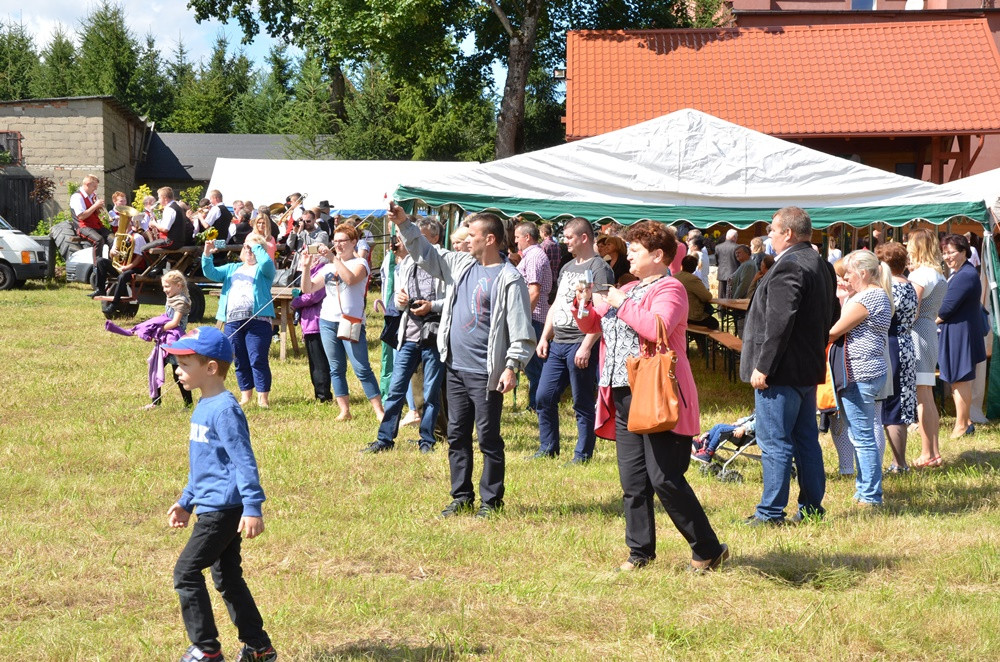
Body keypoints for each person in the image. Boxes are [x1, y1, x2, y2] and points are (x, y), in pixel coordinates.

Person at [574, 220, 727, 572]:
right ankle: (639, 553)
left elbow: (656, 328)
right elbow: (591, 326)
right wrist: (584, 304)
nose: (628, 255)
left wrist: (620, 301)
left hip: (658, 393)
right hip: (624, 393)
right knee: (633, 481)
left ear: (658, 255)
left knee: (664, 479)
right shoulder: (630, 288)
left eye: (636, 250)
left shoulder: (669, 289)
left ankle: (708, 547)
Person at [387, 204, 535, 519]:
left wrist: (512, 366)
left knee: (488, 438)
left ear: (491, 239)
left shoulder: (510, 279)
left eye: (473, 236)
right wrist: (404, 224)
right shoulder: (462, 264)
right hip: (454, 367)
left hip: (486, 372)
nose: (466, 241)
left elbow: (522, 330)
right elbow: (426, 254)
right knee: (456, 434)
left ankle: (491, 502)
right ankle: (461, 496)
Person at [162, 326, 276, 662]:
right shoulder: (204, 405)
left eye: (184, 364)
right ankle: (259, 648)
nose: (177, 371)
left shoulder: (225, 410)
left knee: (186, 572)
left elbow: (244, 462)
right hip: (210, 504)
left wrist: (253, 508)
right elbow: (205, 465)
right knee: (226, 576)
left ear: (210, 368)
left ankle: (206, 649)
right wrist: (186, 500)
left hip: (224, 510)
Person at [740, 206, 835, 525]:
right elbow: (829, 315)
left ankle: (770, 513)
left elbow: (779, 322)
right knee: (805, 439)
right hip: (806, 367)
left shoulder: (790, 265)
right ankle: (811, 508)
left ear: (789, 234)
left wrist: (763, 366)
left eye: (772, 231)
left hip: (781, 370)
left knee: (775, 441)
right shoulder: (821, 264)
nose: (769, 236)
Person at [532, 217, 613, 462]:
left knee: (582, 402)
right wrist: (545, 336)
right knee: (543, 397)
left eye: (568, 237)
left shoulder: (600, 268)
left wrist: (587, 346)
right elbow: (556, 304)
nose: (564, 241)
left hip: (581, 343)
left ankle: (583, 454)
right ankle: (548, 447)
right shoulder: (567, 267)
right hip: (558, 344)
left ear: (583, 238)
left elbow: (602, 311)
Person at [361, 227, 446, 454]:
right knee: (396, 390)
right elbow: (399, 303)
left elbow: (453, 300)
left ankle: (427, 441)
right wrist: (400, 301)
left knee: (431, 394)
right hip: (408, 336)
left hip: (434, 336)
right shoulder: (407, 263)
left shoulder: (442, 260)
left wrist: (432, 306)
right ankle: (384, 439)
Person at [829, 250, 893, 507]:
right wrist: (848, 294)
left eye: (849, 274)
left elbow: (833, 331)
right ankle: (865, 490)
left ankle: (871, 495)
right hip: (868, 371)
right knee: (860, 435)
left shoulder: (867, 298)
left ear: (863, 273)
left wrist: (846, 298)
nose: (846, 279)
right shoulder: (876, 295)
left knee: (862, 437)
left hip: (860, 373)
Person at [303, 224, 385, 422]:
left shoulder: (360, 263)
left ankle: (379, 411)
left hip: (351, 321)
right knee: (336, 368)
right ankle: (344, 410)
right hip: (328, 320)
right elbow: (308, 288)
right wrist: (306, 267)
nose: (338, 245)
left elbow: (350, 279)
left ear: (354, 242)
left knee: (361, 367)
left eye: (342, 241)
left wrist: (333, 258)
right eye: (335, 241)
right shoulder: (328, 267)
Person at [203, 234, 276, 409]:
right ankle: (245, 395)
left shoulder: (264, 269)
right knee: (239, 360)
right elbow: (210, 273)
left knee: (257, 358)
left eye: (252, 249)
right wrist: (206, 254)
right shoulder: (231, 268)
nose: (248, 251)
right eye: (246, 248)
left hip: (258, 320)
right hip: (233, 321)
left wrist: (255, 244)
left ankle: (262, 397)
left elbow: (266, 262)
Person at [938, 233, 987, 441]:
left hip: (960, 333)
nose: (947, 257)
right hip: (959, 331)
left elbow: (947, 309)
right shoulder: (961, 273)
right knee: (959, 380)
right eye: (944, 253)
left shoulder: (965, 274)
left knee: (960, 380)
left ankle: (961, 424)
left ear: (964, 251)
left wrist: (930, 322)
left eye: (951, 252)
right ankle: (965, 422)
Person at [906, 229, 947, 468]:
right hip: (929, 330)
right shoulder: (938, 274)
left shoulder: (921, 275)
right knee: (927, 395)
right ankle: (934, 451)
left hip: (919, 332)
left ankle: (926, 453)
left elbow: (912, 309)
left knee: (922, 397)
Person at [875, 242, 918, 473]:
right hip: (906, 343)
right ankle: (898, 460)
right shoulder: (909, 285)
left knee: (892, 406)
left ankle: (899, 463)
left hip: (891, 345)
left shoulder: (889, 288)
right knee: (900, 402)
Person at [514, 221, 553, 412]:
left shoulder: (535, 256)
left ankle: (537, 406)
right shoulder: (532, 255)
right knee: (532, 365)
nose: (515, 242)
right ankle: (535, 404)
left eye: (517, 237)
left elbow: (534, 290)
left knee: (535, 365)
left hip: (534, 316)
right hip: (534, 315)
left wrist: (524, 317)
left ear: (527, 237)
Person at [290, 259, 331, 403]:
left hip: (317, 324)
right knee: (314, 363)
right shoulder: (310, 273)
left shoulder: (322, 271)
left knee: (320, 363)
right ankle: (319, 393)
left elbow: (313, 295)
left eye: (310, 256)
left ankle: (323, 396)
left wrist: (295, 302)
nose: (305, 259)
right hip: (309, 325)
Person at [675, 255, 717, 330]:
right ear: (695, 268)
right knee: (714, 323)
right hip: (691, 316)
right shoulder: (693, 279)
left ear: (682, 265)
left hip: (677, 315)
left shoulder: (674, 277)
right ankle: (708, 341)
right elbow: (707, 296)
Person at [70, 174, 112, 249]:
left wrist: (99, 209)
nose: (95, 189)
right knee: (99, 240)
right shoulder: (77, 197)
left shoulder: (92, 196)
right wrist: (95, 205)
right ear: (88, 184)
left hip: (96, 225)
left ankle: (111, 259)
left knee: (112, 238)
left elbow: (94, 214)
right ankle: (97, 260)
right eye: (94, 186)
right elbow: (81, 216)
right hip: (83, 227)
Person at [146, 187, 188, 254]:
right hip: (179, 242)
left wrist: (154, 224)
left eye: (159, 198)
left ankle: (156, 264)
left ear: (165, 198)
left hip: (171, 242)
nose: (158, 200)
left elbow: (165, 229)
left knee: (143, 249)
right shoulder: (177, 207)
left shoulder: (169, 209)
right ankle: (163, 262)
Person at [714, 229, 739, 298]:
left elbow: (716, 260)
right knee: (731, 297)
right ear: (734, 237)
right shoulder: (737, 247)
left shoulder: (718, 247)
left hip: (721, 274)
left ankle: (721, 307)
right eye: (736, 237)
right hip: (733, 274)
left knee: (721, 296)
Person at [539, 222, 561, 291]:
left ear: (544, 233)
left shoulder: (543, 245)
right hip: (556, 275)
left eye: (540, 232)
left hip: (546, 277)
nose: (540, 235)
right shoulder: (557, 245)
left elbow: (540, 262)